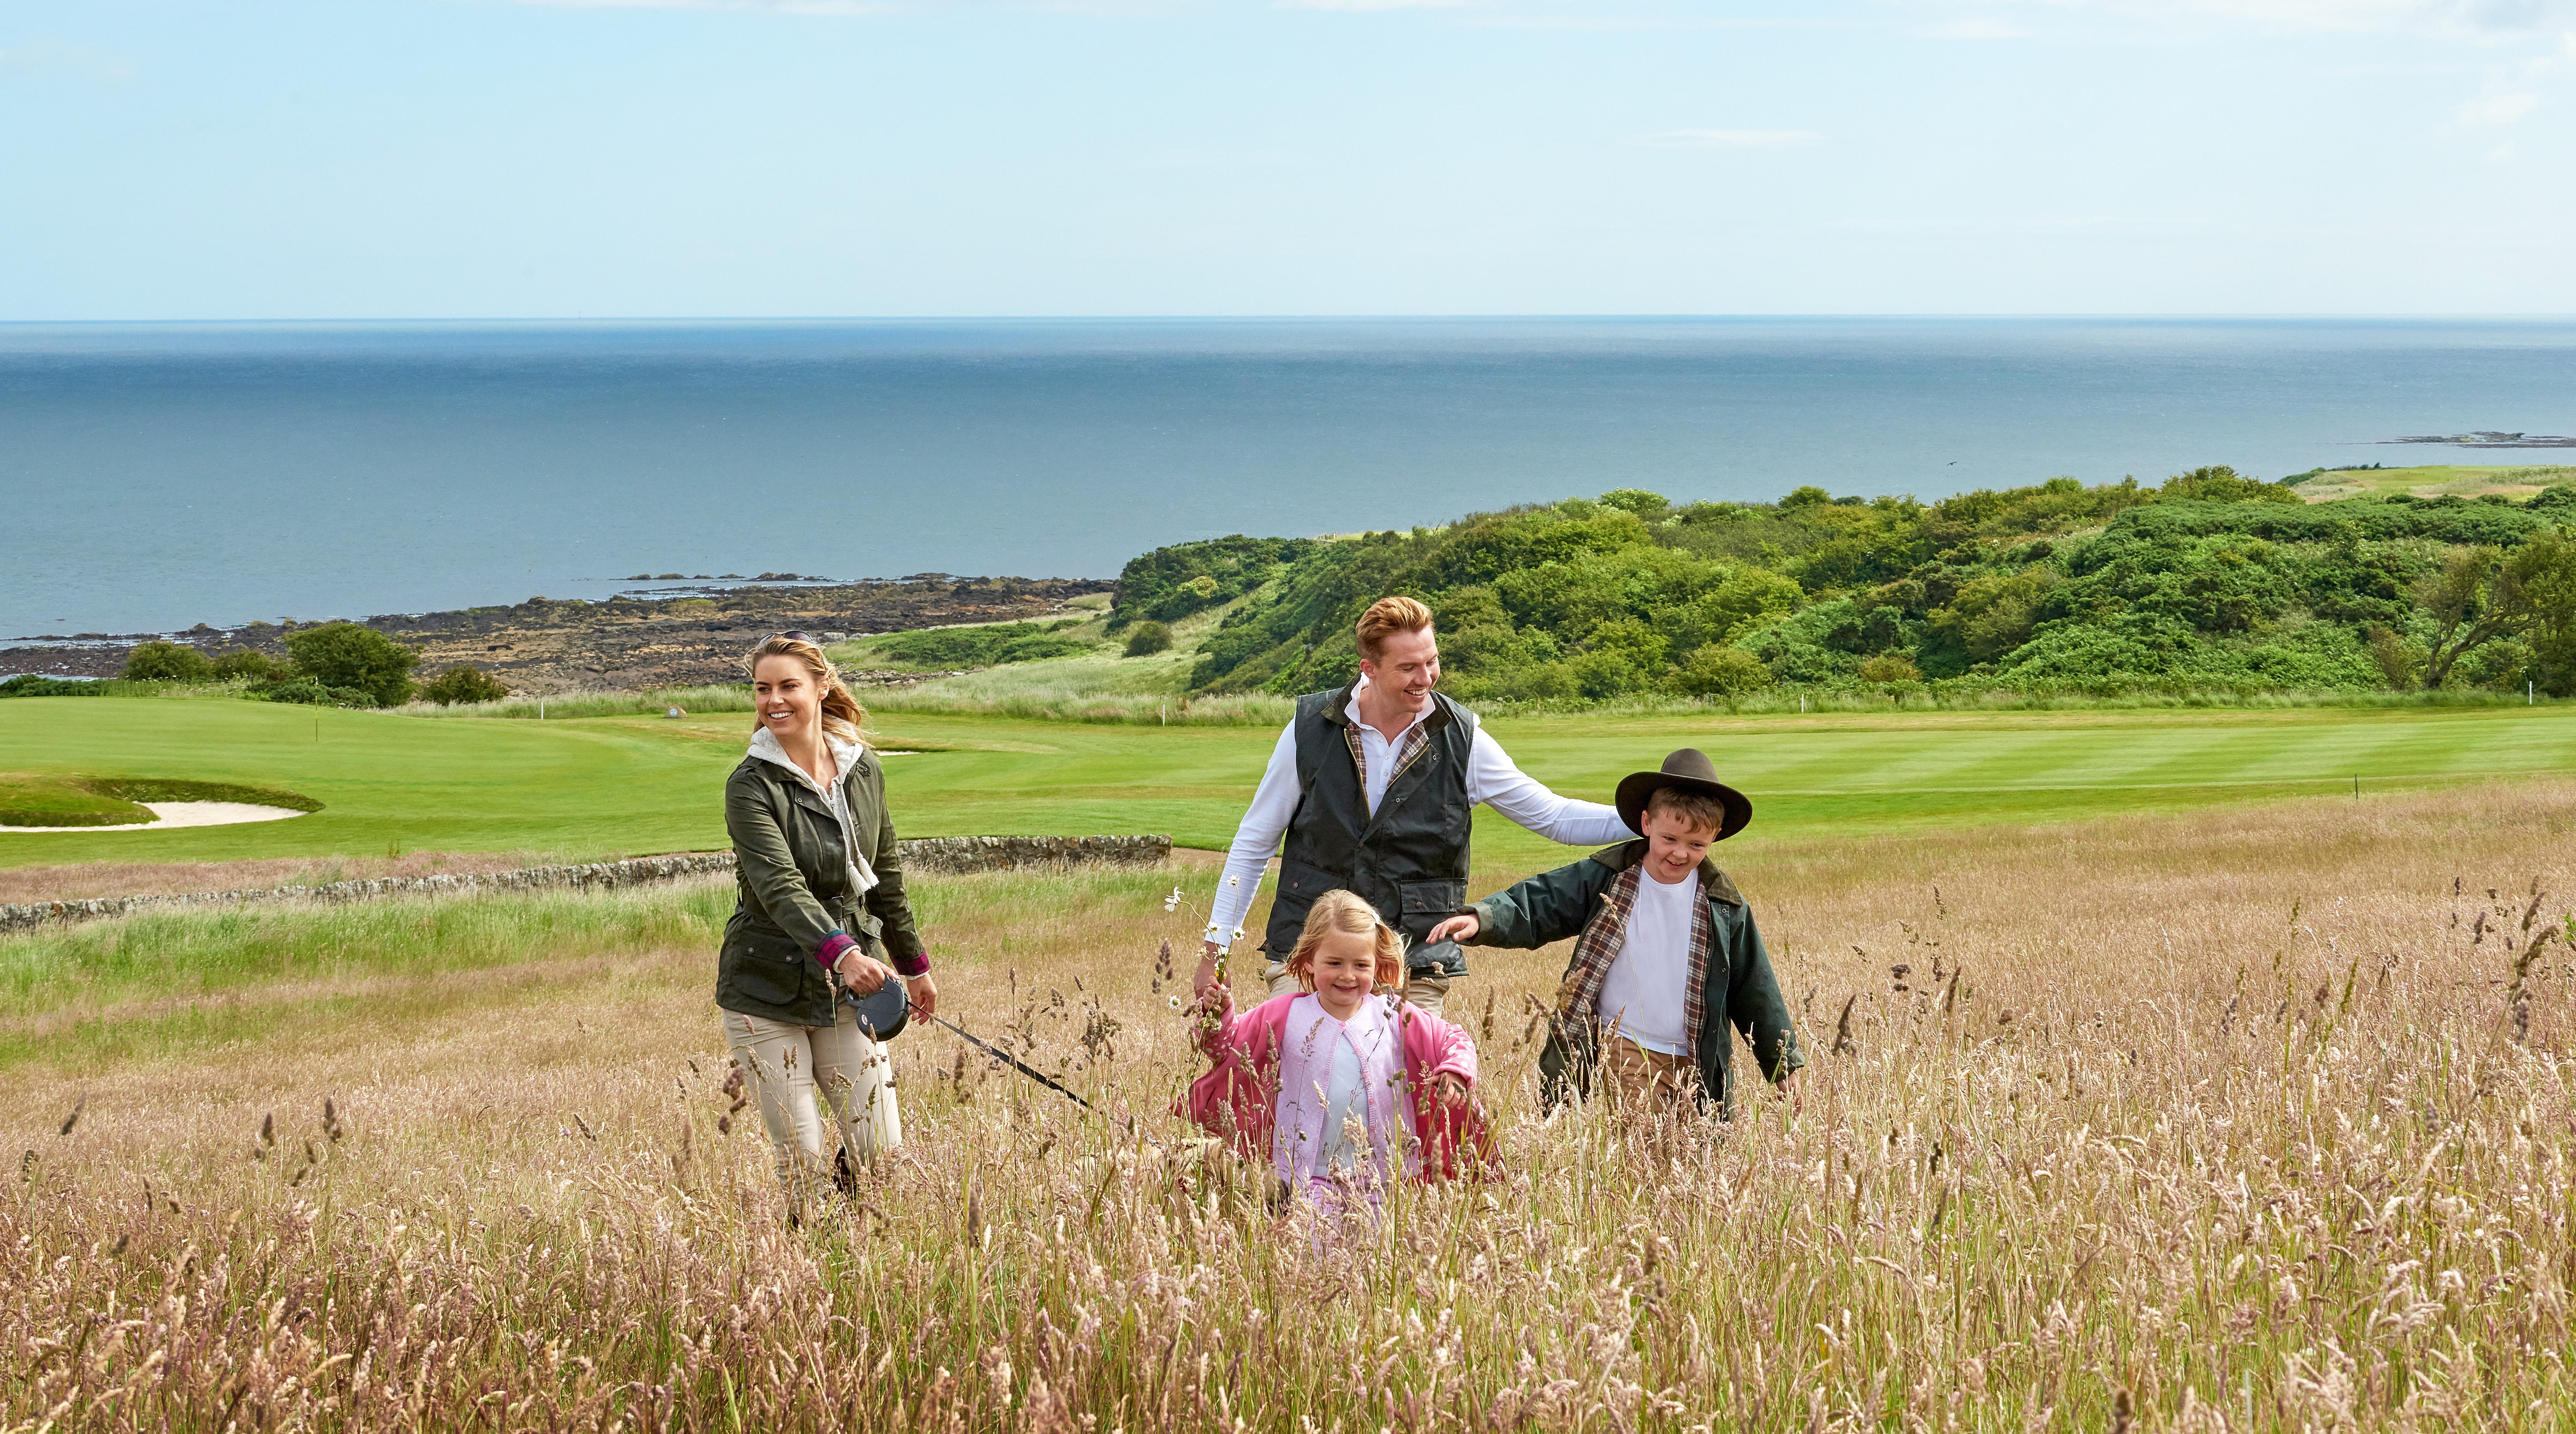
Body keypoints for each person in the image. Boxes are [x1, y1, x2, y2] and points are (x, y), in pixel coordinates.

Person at [1200, 595, 1634, 1015]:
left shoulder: (1464, 739)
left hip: (1412, 961)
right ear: (1367, 669)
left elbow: (1552, 817)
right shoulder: (1309, 729)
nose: (1425, 678)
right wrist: (1214, 955)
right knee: (1297, 1080)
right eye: (1407, 667)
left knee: (1408, 1087)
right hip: (1310, 956)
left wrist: (1646, 821)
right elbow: (1255, 843)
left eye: (1431, 661)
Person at [1426, 748, 1804, 1118]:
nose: (1679, 854)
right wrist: (1483, 919)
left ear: (1715, 837)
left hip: (1698, 1056)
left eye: (1696, 845)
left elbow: (1754, 987)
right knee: (1647, 1153)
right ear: (1646, 824)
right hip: (1627, 1047)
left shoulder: (1723, 905)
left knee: (1699, 1158)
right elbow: (1542, 902)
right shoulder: (1609, 876)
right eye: (1669, 839)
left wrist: (1782, 1066)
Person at [714, 633, 937, 1215]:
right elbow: (779, 887)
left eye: (788, 685)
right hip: (765, 988)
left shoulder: (862, 771)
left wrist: (912, 965)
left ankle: (852, 1246)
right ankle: (806, 1276)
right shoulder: (751, 784)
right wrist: (843, 953)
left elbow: (885, 871)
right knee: (803, 1161)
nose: (774, 699)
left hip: (847, 988)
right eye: (762, 688)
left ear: (822, 687)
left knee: (881, 1154)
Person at [1182, 890, 1488, 1215]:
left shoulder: (1395, 1015)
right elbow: (1225, 1049)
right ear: (1310, 960)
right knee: (1312, 1255)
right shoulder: (1283, 1015)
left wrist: (1455, 1072)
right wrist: (1219, 1015)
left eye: (1360, 965)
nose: (1347, 975)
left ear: (1377, 964)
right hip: (1304, 1178)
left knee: (1379, 1258)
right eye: (1334, 963)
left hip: (1385, 1179)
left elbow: (1455, 1040)